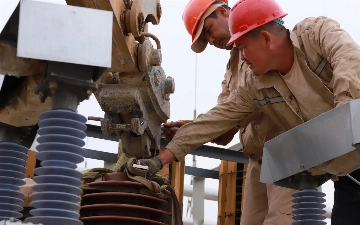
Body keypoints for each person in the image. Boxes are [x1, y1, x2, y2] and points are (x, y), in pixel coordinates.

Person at [124, 0, 360, 224]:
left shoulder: (316, 34)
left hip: (314, 154)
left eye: (243, 48)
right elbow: (219, 120)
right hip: (301, 162)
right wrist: (160, 160)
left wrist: (343, 123)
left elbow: (350, 63)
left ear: (266, 38)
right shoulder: (252, 82)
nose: (242, 57)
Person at [165, 0, 295, 224]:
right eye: (206, 39)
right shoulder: (232, 70)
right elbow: (224, 130)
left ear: (224, 12)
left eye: (208, 31)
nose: (212, 40)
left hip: (288, 150)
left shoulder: (268, 39)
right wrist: (187, 130)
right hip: (259, 160)